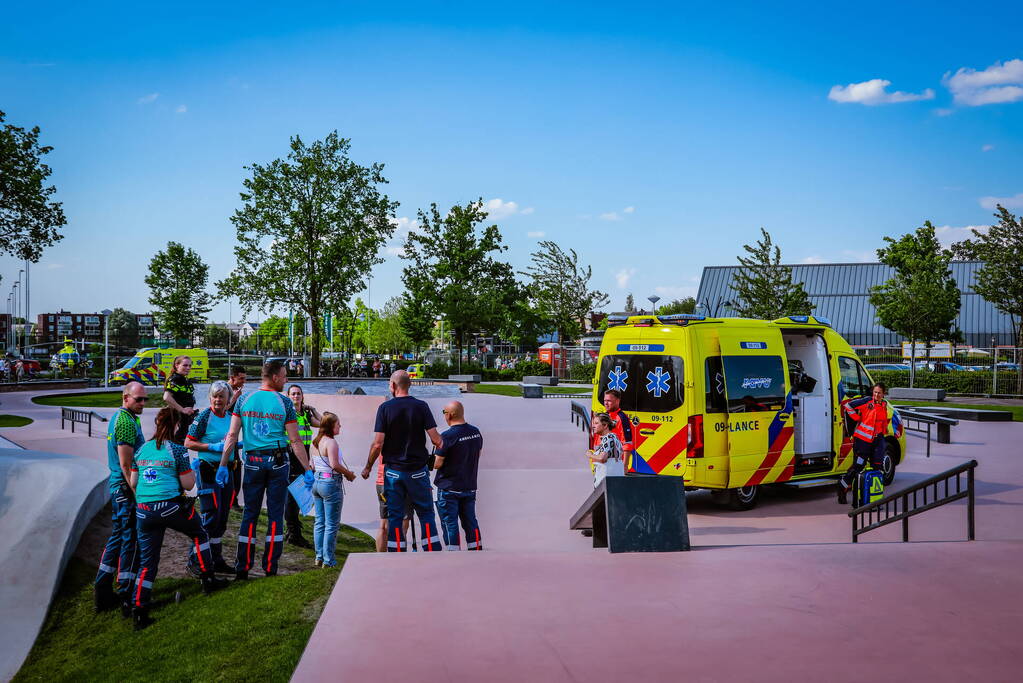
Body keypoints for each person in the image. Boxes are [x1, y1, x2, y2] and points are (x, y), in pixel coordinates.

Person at [130, 408, 228, 630]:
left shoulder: (141, 450)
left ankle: (139, 609)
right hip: (169, 506)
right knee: (199, 533)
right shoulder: (176, 450)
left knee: (148, 563)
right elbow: (188, 484)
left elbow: (134, 482)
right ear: (176, 427)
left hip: (144, 510)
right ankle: (207, 578)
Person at [223, 360, 314, 579]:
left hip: (253, 461)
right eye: (284, 376)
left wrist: (223, 464)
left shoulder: (244, 399)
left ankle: (242, 567)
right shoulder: (284, 402)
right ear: (274, 377)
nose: (286, 380)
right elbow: (295, 441)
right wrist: (307, 468)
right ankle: (270, 567)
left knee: (250, 515)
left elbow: (232, 435)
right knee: (275, 516)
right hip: (278, 462)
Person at [360, 370, 443, 552]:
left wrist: (368, 467)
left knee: (395, 515)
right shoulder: (421, 406)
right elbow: (436, 439)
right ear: (410, 385)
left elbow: (378, 443)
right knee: (426, 513)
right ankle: (432, 551)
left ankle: (396, 553)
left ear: (393, 386)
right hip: (418, 471)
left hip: (393, 472)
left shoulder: (385, 409)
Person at [94, 381, 146, 614]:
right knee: (129, 537)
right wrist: (137, 493)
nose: (143, 403)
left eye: (144, 399)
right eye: (138, 399)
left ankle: (102, 587)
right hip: (125, 489)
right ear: (126, 398)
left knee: (118, 536)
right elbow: (126, 465)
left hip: (118, 488)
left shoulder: (122, 418)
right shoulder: (125, 422)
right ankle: (126, 589)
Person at [184, 381, 236, 574]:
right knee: (209, 516)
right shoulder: (205, 416)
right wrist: (212, 447)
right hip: (208, 471)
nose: (217, 400)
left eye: (221, 396)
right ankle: (194, 559)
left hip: (227, 470)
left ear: (228, 399)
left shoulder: (231, 417)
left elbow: (233, 440)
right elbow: (188, 442)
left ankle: (216, 558)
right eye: (214, 396)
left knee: (222, 517)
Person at [433, 401, 484, 551]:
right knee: (470, 521)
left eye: (444, 412)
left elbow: (437, 463)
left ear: (450, 414)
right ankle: (476, 550)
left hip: (449, 487)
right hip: (469, 485)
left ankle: (453, 553)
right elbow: (477, 454)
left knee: (450, 523)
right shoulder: (476, 432)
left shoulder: (447, 436)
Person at [310, 412, 356, 567]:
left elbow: (312, 465)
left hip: (317, 481)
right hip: (330, 482)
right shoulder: (331, 443)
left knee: (319, 522)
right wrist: (349, 474)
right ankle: (329, 560)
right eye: (338, 424)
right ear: (330, 426)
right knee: (331, 524)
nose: (340, 426)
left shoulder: (315, 442)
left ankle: (319, 557)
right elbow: (335, 465)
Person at [837, 382, 891, 504]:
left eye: (879, 393)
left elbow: (882, 420)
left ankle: (872, 497)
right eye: (875, 392)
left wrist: (884, 430)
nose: (876, 395)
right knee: (858, 467)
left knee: (877, 467)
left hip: (878, 441)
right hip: (863, 441)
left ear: (884, 394)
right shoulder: (867, 401)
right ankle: (842, 486)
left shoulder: (884, 404)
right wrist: (857, 418)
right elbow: (848, 406)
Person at [285, 384, 322, 548]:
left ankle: (293, 526)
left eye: (298, 393)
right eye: (292, 394)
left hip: (304, 456)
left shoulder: (305, 414)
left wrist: (313, 409)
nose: (296, 396)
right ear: (288, 396)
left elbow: (322, 423)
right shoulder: (288, 413)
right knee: (292, 497)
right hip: (292, 457)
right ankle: (293, 532)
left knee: (299, 495)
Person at [163, 355, 197, 443]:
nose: (188, 368)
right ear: (177, 365)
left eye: (190, 365)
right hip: (176, 419)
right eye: (185, 365)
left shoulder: (184, 380)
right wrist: (182, 410)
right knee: (176, 446)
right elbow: (166, 397)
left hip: (183, 421)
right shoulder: (175, 379)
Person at [227, 365, 247, 509]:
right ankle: (231, 502)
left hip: (233, 437)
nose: (243, 381)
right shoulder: (222, 388)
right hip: (223, 437)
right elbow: (221, 409)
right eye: (241, 378)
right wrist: (235, 398)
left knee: (236, 465)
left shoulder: (236, 391)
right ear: (232, 378)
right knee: (232, 466)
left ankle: (234, 501)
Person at [597, 389, 634, 467]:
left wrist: (625, 466)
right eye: (605, 400)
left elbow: (627, 443)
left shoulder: (622, 418)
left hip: (615, 463)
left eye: (609, 401)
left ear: (617, 401)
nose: (606, 403)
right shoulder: (604, 416)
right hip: (602, 462)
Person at [589, 413, 623, 487]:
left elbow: (602, 458)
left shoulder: (608, 437)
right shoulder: (614, 437)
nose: (593, 426)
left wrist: (590, 455)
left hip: (607, 483)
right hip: (615, 480)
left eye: (596, 423)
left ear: (605, 425)